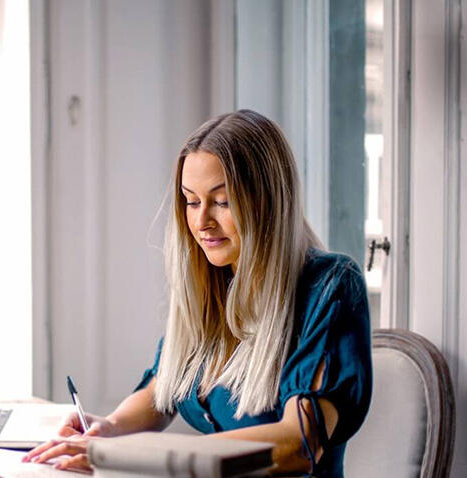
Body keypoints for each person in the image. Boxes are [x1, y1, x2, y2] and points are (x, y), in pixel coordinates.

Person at [23, 109, 372, 478]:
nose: (202, 221)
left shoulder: (330, 288)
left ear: (269, 202)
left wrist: (145, 453)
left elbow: (298, 442)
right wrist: (109, 429)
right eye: (191, 201)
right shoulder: (212, 281)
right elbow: (164, 390)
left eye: (222, 202)